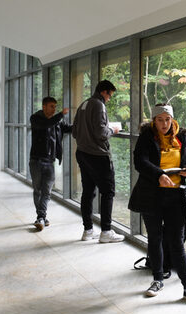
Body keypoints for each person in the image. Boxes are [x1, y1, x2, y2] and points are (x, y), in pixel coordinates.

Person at [128, 103, 186, 305]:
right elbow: (140, 162)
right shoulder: (147, 136)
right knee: (154, 238)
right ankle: (157, 279)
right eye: (160, 119)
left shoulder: (182, 137)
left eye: (167, 119)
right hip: (151, 195)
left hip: (175, 197)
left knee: (176, 242)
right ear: (154, 121)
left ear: (172, 119)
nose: (164, 124)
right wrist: (160, 175)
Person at [72, 79, 124, 243]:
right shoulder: (99, 105)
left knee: (88, 192)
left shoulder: (84, 104)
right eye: (110, 95)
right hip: (98, 156)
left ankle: (88, 230)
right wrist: (113, 129)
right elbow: (102, 133)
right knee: (107, 192)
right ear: (104, 92)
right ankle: (106, 232)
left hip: (82, 153)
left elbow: (74, 132)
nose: (109, 99)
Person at [29, 96, 72, 231]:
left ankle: (41, 217)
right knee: (38, 190)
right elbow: (45, 125)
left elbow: (68, 128)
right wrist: (60, 115)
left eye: (55, 107)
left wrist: (83, 124)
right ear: (44, 107)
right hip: (36, 161)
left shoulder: (58, 122)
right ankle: (41, 216)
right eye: (51, 106)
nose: (54, 109)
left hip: (50, 162)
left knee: (46, 191)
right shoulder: (36, 118)